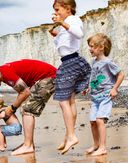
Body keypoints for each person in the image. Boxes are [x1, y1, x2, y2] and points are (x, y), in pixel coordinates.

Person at [0, 59, 57, 155]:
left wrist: (12, 108)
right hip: (47, 78)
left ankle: (28, 146)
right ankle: (28, 144)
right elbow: (22, 92)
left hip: (49, 78)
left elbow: (25, 92)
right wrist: (14, 106)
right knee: (26, 107)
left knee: (27, 109)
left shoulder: (6, 73)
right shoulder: (4, 71)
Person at [49, 0, 92, 154]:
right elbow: (64, 43)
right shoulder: (67, 22)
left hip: (70, 63)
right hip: (71, 61)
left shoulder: (73, 20)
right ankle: (68, 136)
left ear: (68, 8)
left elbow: (79, 34)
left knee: (62, 101)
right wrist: (55, 32)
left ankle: (72, 135)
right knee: (70, 101)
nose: (55, 12)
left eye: (57, 9)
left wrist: (62, 23)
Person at [85, 33, 125, 156]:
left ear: (101, 47)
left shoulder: (108, 62)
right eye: (89, 46)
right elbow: (94, 77)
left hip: (106, 95)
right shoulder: (94, 62)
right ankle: (96, 144)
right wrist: (88, 87)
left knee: (99, 120)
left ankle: (103, 147)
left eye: (92, 46)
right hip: (95, 97)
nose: (90, 49)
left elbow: (121, 74)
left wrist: (115, 89)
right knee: (92, 121)